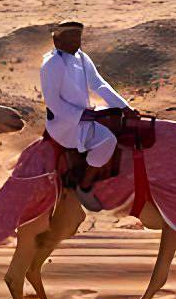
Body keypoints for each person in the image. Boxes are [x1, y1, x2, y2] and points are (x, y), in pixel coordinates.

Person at [40, 20, 131, 210]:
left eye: (78, 36)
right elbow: (53, 102)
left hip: (84, 116)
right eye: (70, 37)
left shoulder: (82, 57)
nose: (75, 41)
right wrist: (80, 115)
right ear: (57, 39)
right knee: (107, 141)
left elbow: (99, 84)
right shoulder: (52, 64)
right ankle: (85, 185)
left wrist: (123, 107)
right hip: (64, 124)